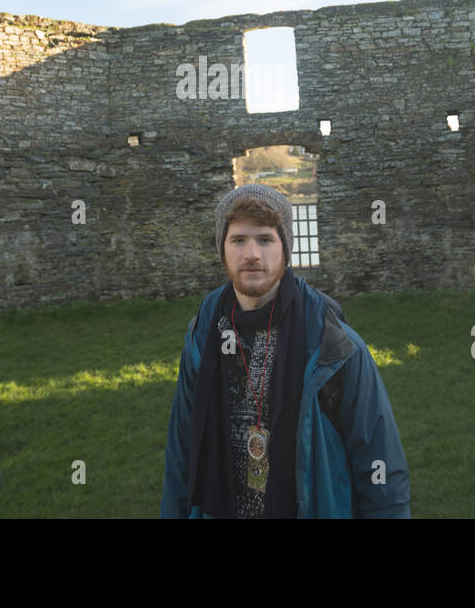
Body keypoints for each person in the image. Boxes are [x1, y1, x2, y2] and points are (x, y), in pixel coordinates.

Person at [161, 183, 410, 518]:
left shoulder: (334, 345)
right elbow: (181, 455)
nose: (252, 254)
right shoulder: (202, 336)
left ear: (285, 250)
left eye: (265, 239)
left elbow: (380, 465)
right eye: (238, 240)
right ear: (222, 249)